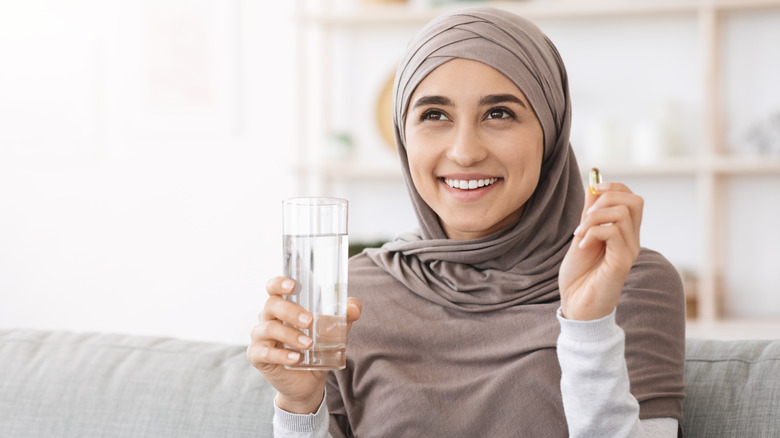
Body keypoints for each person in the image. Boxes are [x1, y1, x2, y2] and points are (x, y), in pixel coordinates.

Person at [248, 7, 685, 437]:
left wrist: (589, 325)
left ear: (551, 133)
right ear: (404, 138)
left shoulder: (629, 282)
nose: (464, 151)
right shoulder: (350, 296)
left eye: (499, 114)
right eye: (434, 115)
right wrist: (301, 409)